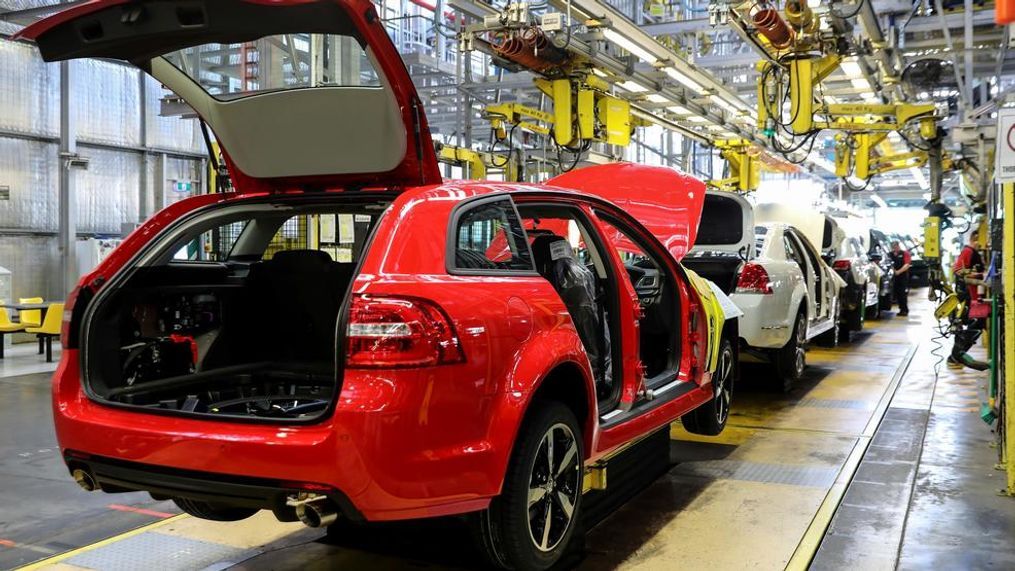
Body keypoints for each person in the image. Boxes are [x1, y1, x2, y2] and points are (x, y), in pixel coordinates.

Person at [889, 241, 912, 316]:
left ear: (898, 246)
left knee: (902, 293)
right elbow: (889, 263)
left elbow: (907, 264)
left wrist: (898, 272)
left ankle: (904, 309)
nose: (894, 248)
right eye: (893, 247)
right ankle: (901, 309)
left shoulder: (905, 253)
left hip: (903, 276)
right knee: (897, 293)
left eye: (896, 246)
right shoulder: (890, 254)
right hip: (893, 277)